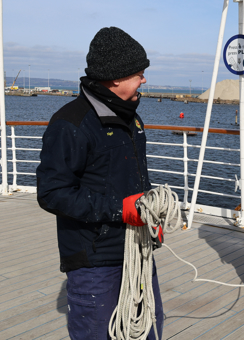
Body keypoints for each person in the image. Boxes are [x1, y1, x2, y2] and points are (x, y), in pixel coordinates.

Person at [36, 27, 163, 340]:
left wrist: (149, 214)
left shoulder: (132, 119)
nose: (144, 79)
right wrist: (121, 210)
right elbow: (52, 194)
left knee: (148, 329)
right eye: (139, 73)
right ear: (116, 78)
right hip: (95, 262)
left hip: (138, 252)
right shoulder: (71, 124)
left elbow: (133, 183)